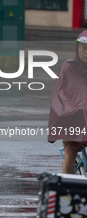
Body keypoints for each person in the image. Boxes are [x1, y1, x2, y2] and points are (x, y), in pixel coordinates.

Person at [48, 30, 87, 174]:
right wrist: (73, 109)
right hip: (75, 119)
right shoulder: (68, 67)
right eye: (83, 48)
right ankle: (67, 186)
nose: (86, 52)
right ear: (77, 49)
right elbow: (61, 95)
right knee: (70, 153)